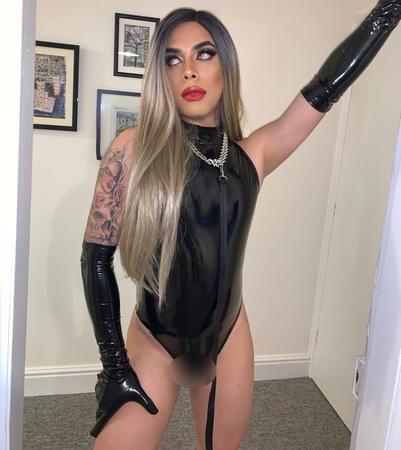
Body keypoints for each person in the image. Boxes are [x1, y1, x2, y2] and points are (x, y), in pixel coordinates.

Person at [81, 2, 401, 449]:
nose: (189, 70)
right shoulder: (134, 150)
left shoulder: (253, 155)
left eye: (204, 54)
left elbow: (325, 89)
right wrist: (115, 367)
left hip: (228, 334)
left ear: (225, 67)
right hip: (156, 336)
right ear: (161, 77)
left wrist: (387, 12)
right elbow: (95, 260)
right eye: (173, 60)